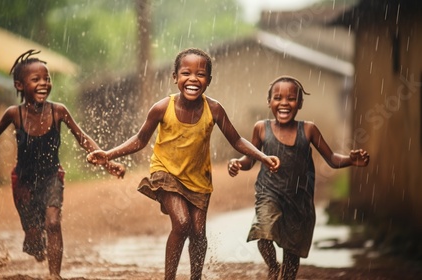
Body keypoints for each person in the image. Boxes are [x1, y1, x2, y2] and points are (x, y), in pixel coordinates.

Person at [87, 48, 280, 280]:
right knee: (182, 223)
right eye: (186, 73)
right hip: (165, 172)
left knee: (198, 232)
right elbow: (140, 140)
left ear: (208, 80)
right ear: (175, 77)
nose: (193, 79)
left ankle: (195, 277)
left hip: (199, 179)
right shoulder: (161, 108)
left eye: (200, 74)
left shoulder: (214, 109)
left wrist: (263, 157)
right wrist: (108, 154)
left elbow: (237, 140)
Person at [0, 49, 125, 280]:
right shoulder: (14, 114)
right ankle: (36, 245)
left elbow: (83, 138)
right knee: (33, 236)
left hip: (52, 177)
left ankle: (55, 275)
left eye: (47, 78)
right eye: (36, 79)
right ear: (20, 85)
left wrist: (106, 161)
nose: (44, 83)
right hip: (23, 182)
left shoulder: (58, 111)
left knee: (53, 222)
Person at [227, 76, 370, 280]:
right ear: (269, 102)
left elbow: (331, 159)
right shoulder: (261, 128)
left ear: (300, 103)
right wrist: (237, 164)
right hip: (269, 193)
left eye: (291, 98)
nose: (284, 103)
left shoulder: (309, 129)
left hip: (299, 200)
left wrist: (350, 160)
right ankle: (273, 267)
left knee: (292, 252)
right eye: (278, 97)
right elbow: (250, 160)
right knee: (262, 232)